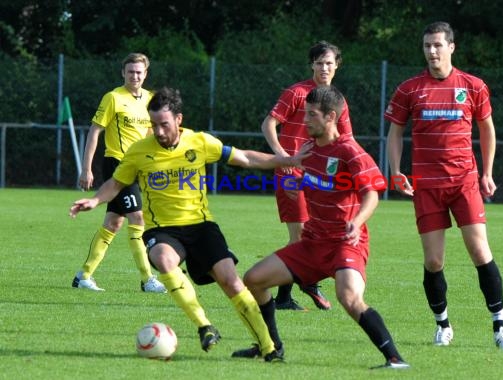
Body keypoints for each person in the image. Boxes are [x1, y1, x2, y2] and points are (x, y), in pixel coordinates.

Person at [69, 87, 304, 361]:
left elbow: (247, 158)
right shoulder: (139, 151)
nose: (157, 131)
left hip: (202, 226)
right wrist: (95, 200)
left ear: (178, 119)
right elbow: (116, 183)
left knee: (231, 282)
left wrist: (288, 160)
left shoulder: (200, 142)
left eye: (163, 124)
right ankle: (204, 326)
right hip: (163, 230)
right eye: (152, 124)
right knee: (163, 259)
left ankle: (268, 349)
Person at [233, 85, 410, 369]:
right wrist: (294, 183)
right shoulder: (308, 150)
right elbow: (305, 182)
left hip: (345, 243)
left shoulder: (351, 152)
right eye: (305, 114)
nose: (305, 121)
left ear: (330, 117)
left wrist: (357, 221)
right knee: (253, 279)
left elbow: (372, 194)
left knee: (349, 298)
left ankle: (395, 359)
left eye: (312, 115)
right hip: (312, 243)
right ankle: (272, 346)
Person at [385, 21, 503, 351]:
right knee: (433, 262)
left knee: (479, 251)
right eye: (427, 45)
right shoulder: (409, 89)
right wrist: (395, 170)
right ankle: (443, 325)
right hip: (427, 186)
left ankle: (500, 328)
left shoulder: (472, 86)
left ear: (451, 47)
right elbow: (394, 133)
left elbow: (487, 130)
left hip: (464, 182)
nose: (432, 51)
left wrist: (486, 173)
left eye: (438, 45)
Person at [261, 40, 353, 311]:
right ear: (311, 65)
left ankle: (296, 288)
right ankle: (294, 291)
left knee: (315, 234)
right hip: (292, 173)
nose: (324, 68)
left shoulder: (337, 101)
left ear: (337, 66)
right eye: (319, 63)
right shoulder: (297, 92)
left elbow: (347, 139)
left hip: (321, 178)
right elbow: (269, 123)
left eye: (329, 63)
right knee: (300, 235)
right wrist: (282, 157)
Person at [71, 52, 165, 293]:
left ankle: (84, 275)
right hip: (117, 164)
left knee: (113, 223)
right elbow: (95, 131)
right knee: (138, 218)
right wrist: (86, 168)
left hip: (138, 167)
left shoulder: (151, 99)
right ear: (123, 73)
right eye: (130, 71)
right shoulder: (113, 98)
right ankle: (147, 279)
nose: (135, 76)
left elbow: (151, 134)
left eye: (139, 72)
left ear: (146, 74)